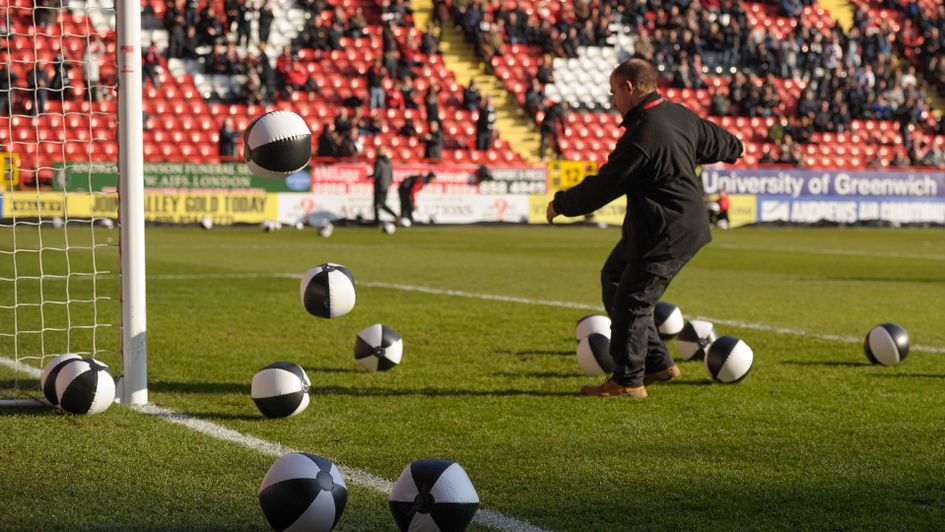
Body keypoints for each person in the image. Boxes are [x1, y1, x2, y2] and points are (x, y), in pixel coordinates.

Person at [546, 60, 743, 398]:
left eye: (614, 92)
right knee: (614, 277)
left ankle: (628, 380)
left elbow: (606, 185)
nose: (613, 101)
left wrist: (561, 204)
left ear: (629, 88)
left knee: (633, 300)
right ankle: (658, 363)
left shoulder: (643, 135)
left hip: (667, 230)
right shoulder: (679, 115)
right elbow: (730, 146)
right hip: (662, 225)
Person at [369, 146, 398, 224]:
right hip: (386, 185)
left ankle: (394, 216)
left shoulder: (378, 161)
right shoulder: (389, 161)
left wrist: (369, 176)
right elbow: (391, 175)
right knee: (380, 203)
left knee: (379, 204)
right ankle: (377, 221)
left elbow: (376, 174)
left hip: (379, 185)